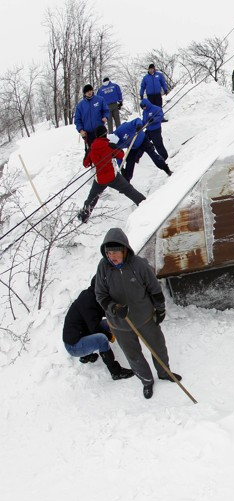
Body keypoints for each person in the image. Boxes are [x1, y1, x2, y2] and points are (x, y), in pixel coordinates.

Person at [95, 228, 180, 399]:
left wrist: (160, 308)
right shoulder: (103, 268)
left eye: (116, 251)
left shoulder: (139, 265)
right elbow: (100, 294)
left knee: (158, 347)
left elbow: (154, 288)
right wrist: (114, 308)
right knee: (133, 355)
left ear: (125, 249)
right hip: (120, 323)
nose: (112, 256)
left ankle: (164, 373)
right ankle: (146, 380)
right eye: (109, 252)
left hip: (145, 318)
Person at [63, 276, 134, 381]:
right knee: (102, 339)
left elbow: (103, 314)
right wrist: (110, 336)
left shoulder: (93, 296)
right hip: (74, 346)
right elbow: (95, 328)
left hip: (80, 334)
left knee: (108, 323)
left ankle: (86, 355)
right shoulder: (88, 301)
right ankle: (116, 372)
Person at [78, 125, 146, 223]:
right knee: (128, 190)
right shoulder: (109, 145)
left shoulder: (91, 149)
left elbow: (86, 164)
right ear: (105, 134)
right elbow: (121, 154)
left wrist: (89, 154)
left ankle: (84, 216)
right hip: (113, 177)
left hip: (100, 179)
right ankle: (144, 203)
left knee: (92, 197)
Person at [74, 84, 109, 155]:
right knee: (93, 152)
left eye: (90, 90)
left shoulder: (100, 100)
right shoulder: (80, 105)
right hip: (88, 133)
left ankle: (105, 164)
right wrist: (80, 130)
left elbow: (106, 110)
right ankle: (95, 165)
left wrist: (106, 117)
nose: (89, 92)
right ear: (84, 93)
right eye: (87, 92)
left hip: (100, 130)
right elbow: (77, 120)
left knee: (103, 150)